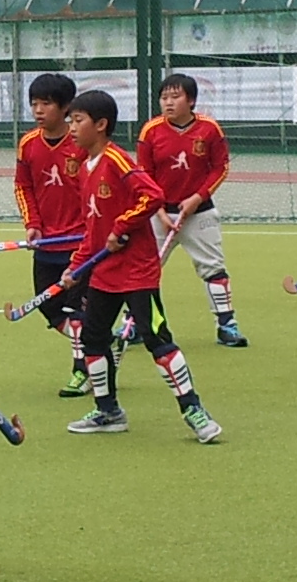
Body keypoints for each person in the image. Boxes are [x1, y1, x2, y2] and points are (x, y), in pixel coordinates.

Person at [61, 90, 222, 442]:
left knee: (156, 338)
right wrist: (77, 266)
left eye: (78, 121)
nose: (71, 128)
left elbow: (152, 196)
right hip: (103, 275)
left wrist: (121, 227)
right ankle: (108, 411)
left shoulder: (116, 160)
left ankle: (194, 411)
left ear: (100, 125)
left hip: (137, 273)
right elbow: (93, 228)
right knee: (93, 340)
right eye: (70, 121)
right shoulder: (84, 169)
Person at [137, 72, 243, 347]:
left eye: (175, 97)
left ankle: (226, 326)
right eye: (164, 98)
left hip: (199, 214)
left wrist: (197, 198)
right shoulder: (151, 131)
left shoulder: (209, 129)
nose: (168, 103)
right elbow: (144, 174)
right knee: (143, 271)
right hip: (158, 214)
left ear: (191, 100)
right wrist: (159, 210)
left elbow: (220, 168)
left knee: (213, 269)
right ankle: (138, 324)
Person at [12, 72, 93, 396]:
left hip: (80, 245)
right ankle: (98, 343)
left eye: (46, 104)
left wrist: (92, 230)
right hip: (46, 243)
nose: (38, 110)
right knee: (49, 307)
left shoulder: (81, 143)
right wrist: (32, 223)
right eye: (34, 103)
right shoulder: (28, 144)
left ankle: (82, 370)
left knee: (77, 311)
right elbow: (23, 186)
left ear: (65, 107)